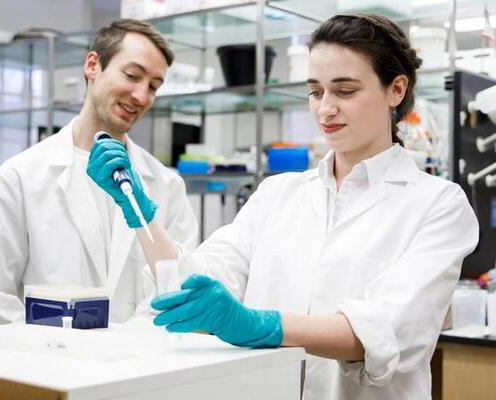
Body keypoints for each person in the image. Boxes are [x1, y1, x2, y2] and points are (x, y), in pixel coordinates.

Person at [90, 14, 480, 400]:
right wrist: (138, 210)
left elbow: (386, 330)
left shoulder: (437, 204)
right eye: (315, 91)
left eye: (344, 91)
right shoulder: (278, 194)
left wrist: (259, 324)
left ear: (396, 89)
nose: (325, 109)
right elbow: (193, 285)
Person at [0, 19, 198, 326]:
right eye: (132, 75)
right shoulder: (21, 176)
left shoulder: (167, 186)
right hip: (44, 368)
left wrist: (125, 349)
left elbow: (181, 290)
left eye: (153, 86)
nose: (142, 96)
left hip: (139, 364)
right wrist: (51, 353)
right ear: (93, 65)